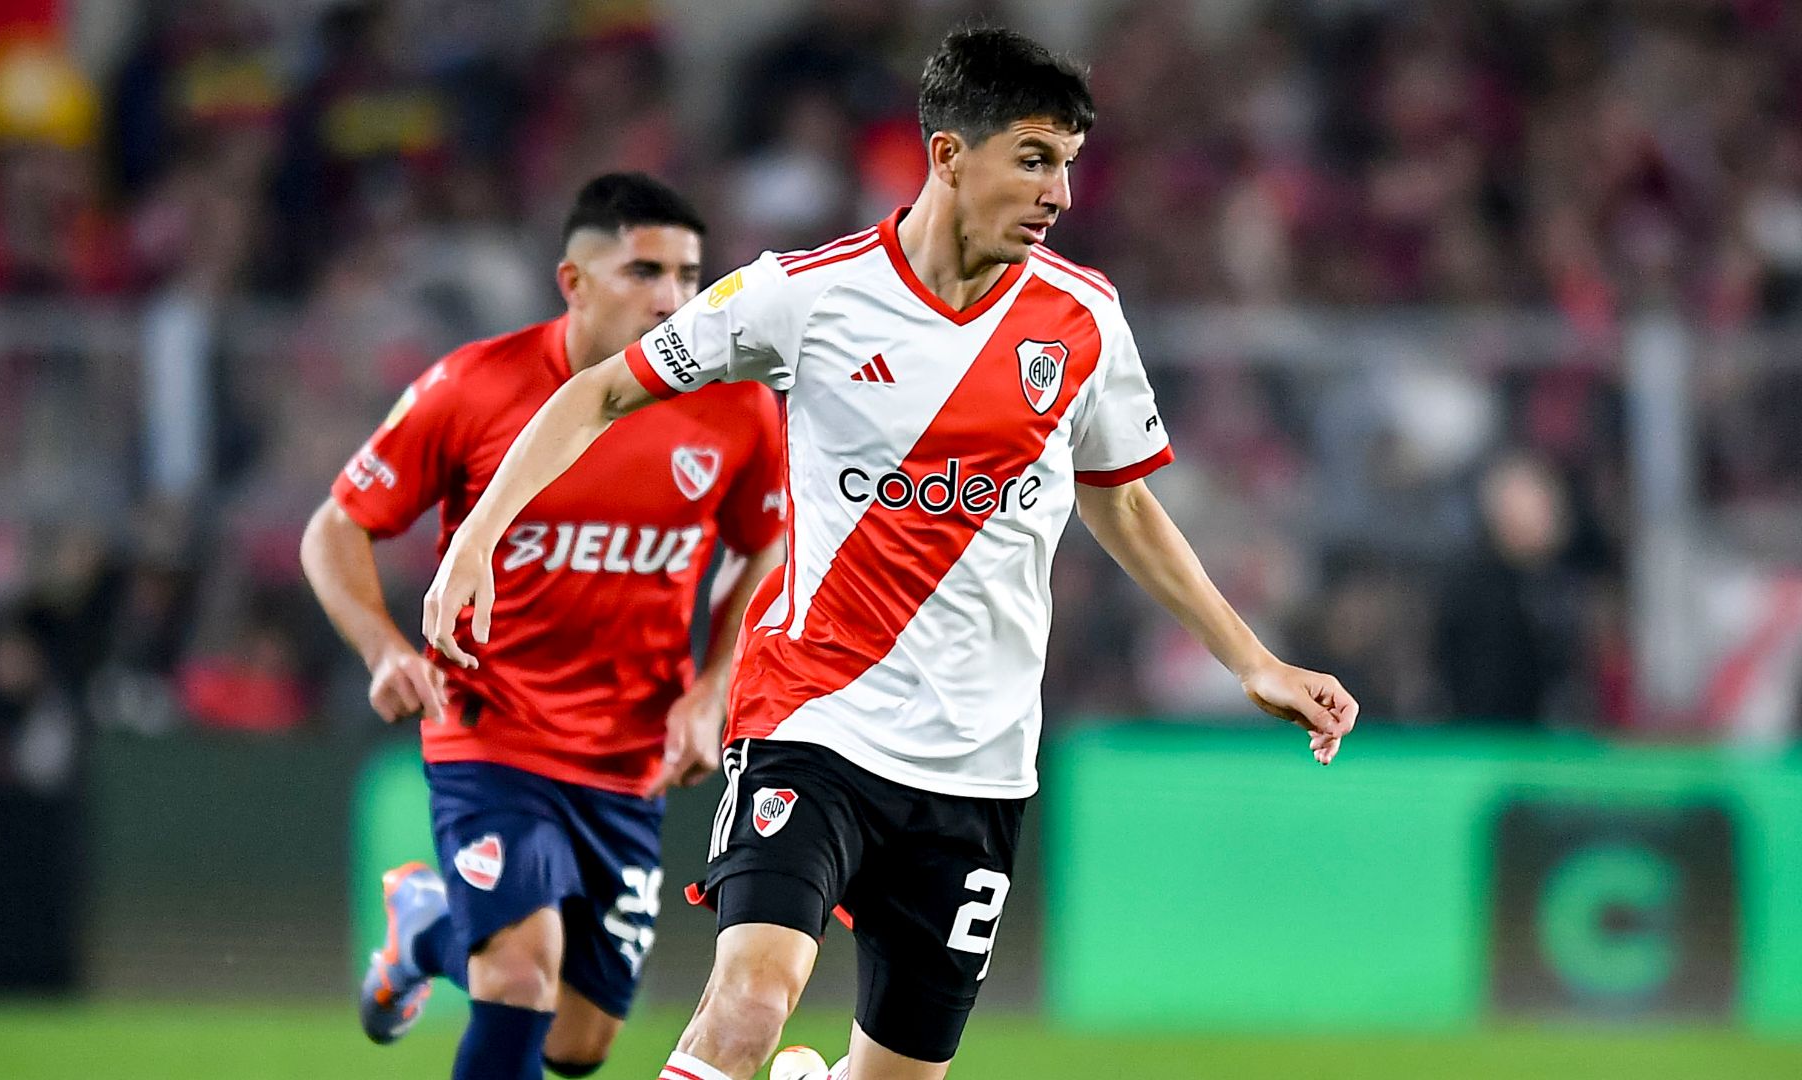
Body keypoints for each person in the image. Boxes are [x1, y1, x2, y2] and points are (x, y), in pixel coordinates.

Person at [421, 28, 1358, 1080]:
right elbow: (602, 389)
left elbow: (1124, 503)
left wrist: (1252, 661)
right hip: (814, 717)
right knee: (748, 1004)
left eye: (1069, 166)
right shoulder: (806, 295)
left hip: (981, 759)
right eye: (1035, 158)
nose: (1058, 191)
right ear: (950, 154)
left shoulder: (1084, 319)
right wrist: (479, 538)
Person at [300, 172, 787, 1080]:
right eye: (646, 271)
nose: (675, 298)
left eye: (690, 274)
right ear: (574, 281)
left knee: (578, 1041)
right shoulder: (476, 385)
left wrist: (711, 689)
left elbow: (762, 550)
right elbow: (334, 527)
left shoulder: (737, 405)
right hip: (493, 730)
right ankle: (464, 941)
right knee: (519, 978)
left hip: (632, 752)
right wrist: (384, 648)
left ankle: (426, 929)